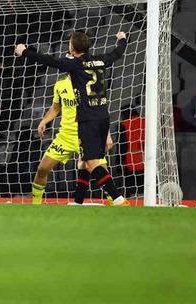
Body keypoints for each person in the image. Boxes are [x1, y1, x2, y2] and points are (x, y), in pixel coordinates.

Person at [16, 31, 130, 206]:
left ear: (72, 49)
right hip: (91, 122)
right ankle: (77, 202)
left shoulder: (75, 65)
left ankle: (117, 200)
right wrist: (122, 39)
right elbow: (117, 53)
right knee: (80, 165)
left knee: (93, 165)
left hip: (87, 124)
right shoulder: (99, 61)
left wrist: (24, 51)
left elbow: (48, 60)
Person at [32, 74, 114, 205]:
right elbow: (55, 108)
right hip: (65, 137)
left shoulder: (90, 84)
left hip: (87, 134)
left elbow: (100, 110)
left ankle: (115, 201)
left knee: (102, 171)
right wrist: (44, 121)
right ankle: (36, 204)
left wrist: (107, 135)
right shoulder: (60, 85)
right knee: (42, 169)